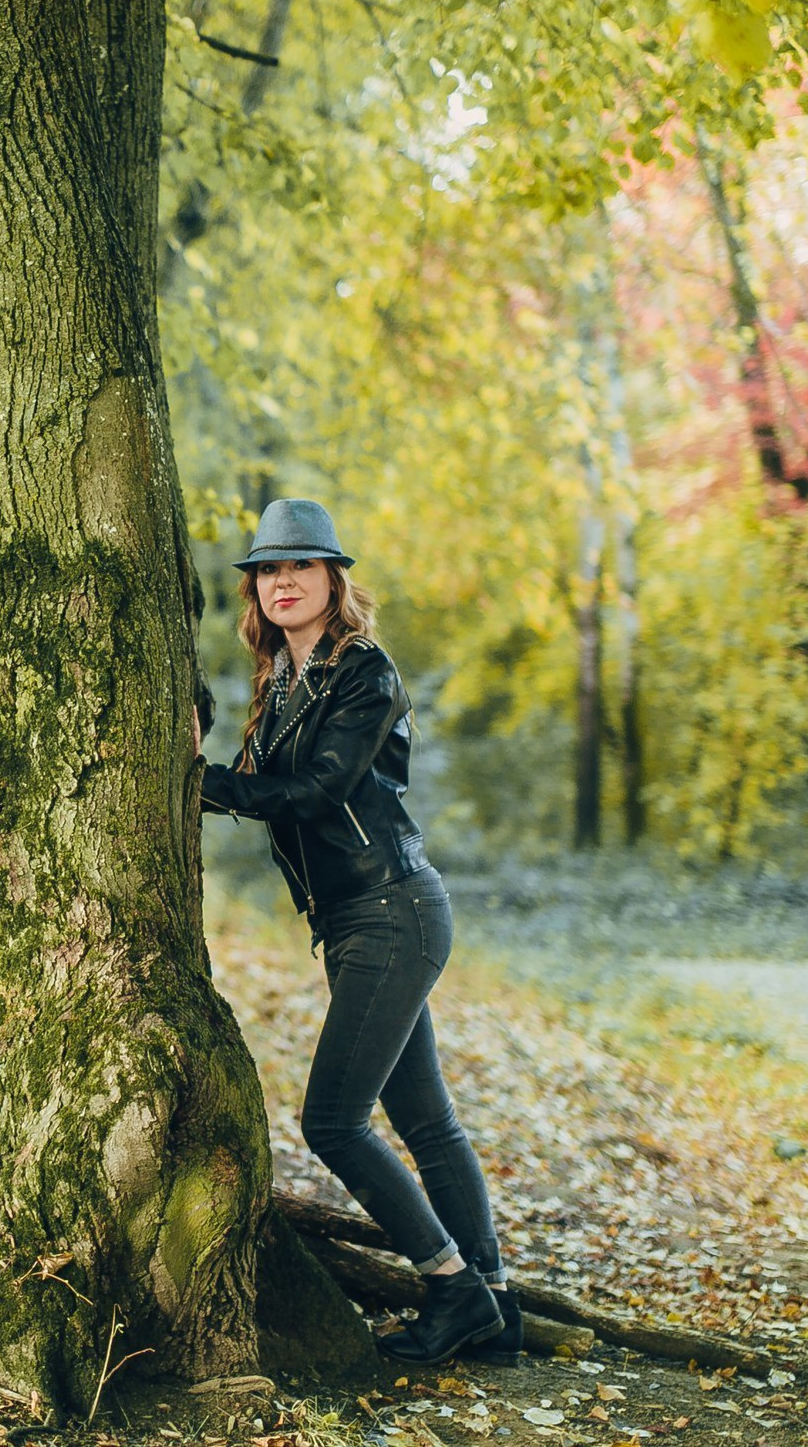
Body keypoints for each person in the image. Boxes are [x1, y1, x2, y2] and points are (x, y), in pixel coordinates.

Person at [199, 499, 517, 1367]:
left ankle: (452, 1287)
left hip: (392, 910)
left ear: (333, 579)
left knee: (333, 1123)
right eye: (268, 569)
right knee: (426, 1119)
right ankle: (495, 1305)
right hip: (356, 921)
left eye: (300, 566)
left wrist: (205, 786)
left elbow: (322, 788)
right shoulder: (281, 684)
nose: (283, 581)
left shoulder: (363, 671)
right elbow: (269, 779)